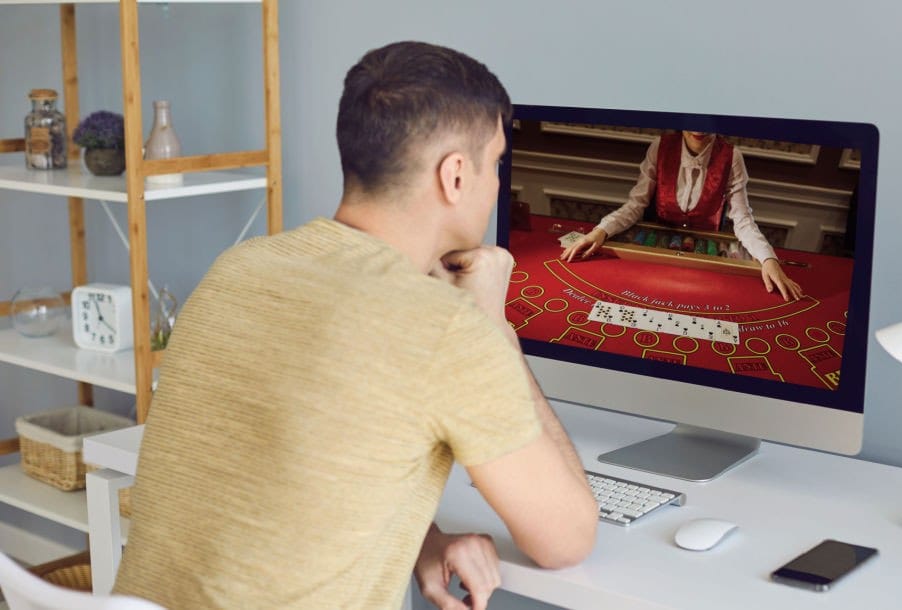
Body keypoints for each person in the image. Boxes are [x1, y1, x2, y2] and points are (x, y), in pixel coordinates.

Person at [113, 41, 597, 610]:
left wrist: (421, 538)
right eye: (495, 164)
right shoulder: (446, 329)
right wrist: (493, 323)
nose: (497, 185)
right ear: (455, 176)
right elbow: (567, 540)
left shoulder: (238, 269)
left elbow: (269, 472)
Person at [560, 131, 804, 301]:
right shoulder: (660, 146)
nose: (699, 129)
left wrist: (768, 259)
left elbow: (743, 220)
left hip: (706, 258)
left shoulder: (732, 156)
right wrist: (600, 231)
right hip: (656, 253)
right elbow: (636, 205)